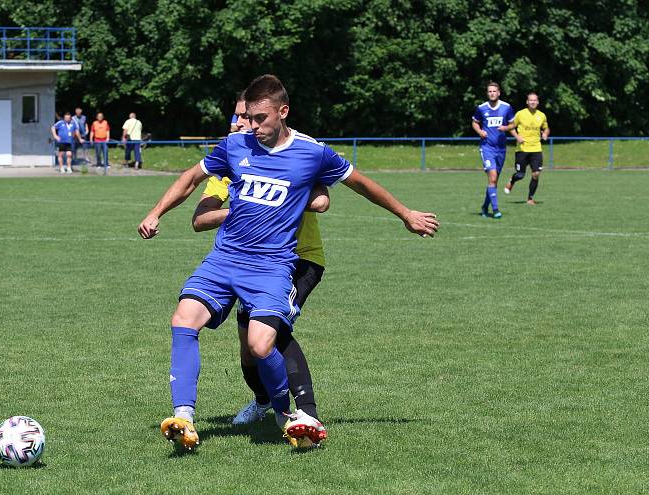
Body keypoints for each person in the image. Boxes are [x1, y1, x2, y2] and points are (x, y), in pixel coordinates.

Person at [138, 74, 439, 451]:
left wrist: (405, 214)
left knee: (261, 344)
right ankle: (184, 417)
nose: (252, 125)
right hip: (225, 259)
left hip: (272, 266)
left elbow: (359, 183)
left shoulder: (313, 153)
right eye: (247, 117)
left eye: (260, 118)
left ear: (283, 112)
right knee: (183, 319)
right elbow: (191, 178)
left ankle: (285, 413)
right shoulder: (235, 145)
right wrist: (156, 213)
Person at [193, 93, 329, 435]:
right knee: (247, 344)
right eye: (239, 117)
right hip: (247, 261)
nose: (241, 124)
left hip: (298, 258)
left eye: (248, 117)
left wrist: (274, 195)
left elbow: (322, 200)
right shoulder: (231, 161)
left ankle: (307, 412)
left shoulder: (298, 153)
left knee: (274, 331)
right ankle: (264, 401)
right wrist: (240, 204)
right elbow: (200, 219)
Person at [472, 81, 515, 219]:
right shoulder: (481, 108)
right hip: (487, 148)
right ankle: (495, 210)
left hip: (501, 149)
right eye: (489, 91)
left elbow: (513, 124)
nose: (492, 93)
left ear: (499, 92)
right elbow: (475, 122)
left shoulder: (506, 107)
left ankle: (485, 207)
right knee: (493, 177)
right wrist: (479, 131)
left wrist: (506, 128)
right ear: (487, 93)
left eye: (494, 91)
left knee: (493, 182)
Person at [503, 92, 550, 205]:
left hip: (536, 149)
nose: (533, 102)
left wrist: (545, 134)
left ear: (538, 102)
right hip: (522, 149)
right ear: (527, 102)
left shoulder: (541, 115)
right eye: (531, 100)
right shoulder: (520, 114)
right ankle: (512, 181)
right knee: (520, 175)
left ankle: (530, 198)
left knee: (536, 174)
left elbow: (546, 128)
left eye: (535, 100)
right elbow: (511, 127)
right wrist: (517, 137)